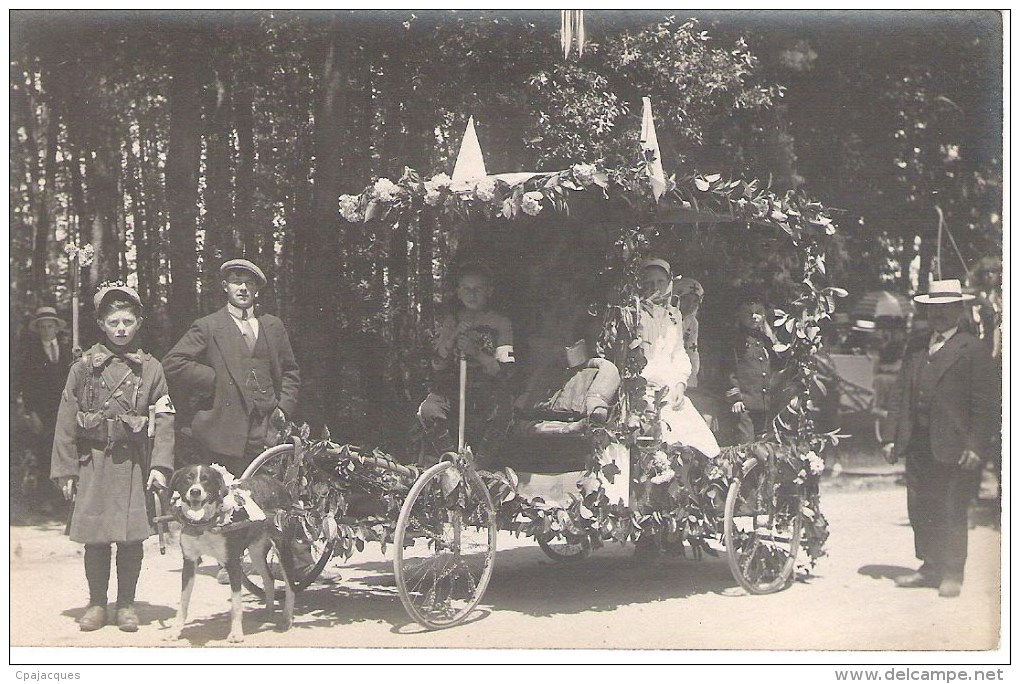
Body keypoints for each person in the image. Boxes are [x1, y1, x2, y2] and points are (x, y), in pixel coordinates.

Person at [50, 284, 175, 632]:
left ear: (139, 323)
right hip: (93, 462)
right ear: (101, 324)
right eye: (113, 321)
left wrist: (160, 467)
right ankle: (95, 604)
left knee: (131, 537)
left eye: (128, 321)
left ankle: (126, 605)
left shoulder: (152, 369)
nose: (121, 328)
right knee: (97, 536)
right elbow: (64, 422)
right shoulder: (83, 368)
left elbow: (164, 420)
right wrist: (66, 470)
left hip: (134, 462)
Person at [882, 279, 995, 598]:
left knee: (952, 507)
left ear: (958, 310)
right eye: (933, 309)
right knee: (920, 506)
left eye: (946, 309)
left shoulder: (972, 348)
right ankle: (930, 566)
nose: (939, 315)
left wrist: (976, 445)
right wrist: (891, 436)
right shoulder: (917, 346)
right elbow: (900, 392)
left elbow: (984, 404)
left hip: (955, 446)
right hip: (918, 443)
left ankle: (952, 572)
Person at [163, 259, 300, 477]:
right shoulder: (209, 325)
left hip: (267, 427)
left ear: (256, 290)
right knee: (227, 497)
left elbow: (290, 371)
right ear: (225, 286)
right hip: (223, 430)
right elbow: (173, 362)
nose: (243, 288)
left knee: (265, 494)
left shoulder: (273, 326)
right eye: (236, 282)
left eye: (249, 283)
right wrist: (212, 379)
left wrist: (283, 407)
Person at [417, 262, 515, 464]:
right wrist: (453, 337)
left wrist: (475, 352)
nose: (472, 294)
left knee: (504, 410)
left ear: (489, 291)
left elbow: (505, 371)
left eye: (478, 289)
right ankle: (451, 462)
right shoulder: (452, 321)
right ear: (458, 293)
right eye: (466, 289)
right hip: (453, 390)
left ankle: (478, 467)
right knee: (428, 410)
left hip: (485, 390)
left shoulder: (501, 323)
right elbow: (437, 364)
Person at [634, 259, 719, 458]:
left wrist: (680, 384)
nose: (655, 287)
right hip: (643, 393)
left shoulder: (673, 315)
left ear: (669, 283)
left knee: (700, 446)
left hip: (671, 393)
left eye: (660, 282)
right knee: (657, 451)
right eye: (649, 282)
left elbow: (679, 353)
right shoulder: (634, 313)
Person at [16, 306, 72, 508]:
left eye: (50, 326)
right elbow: (26, 386)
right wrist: (32, 413)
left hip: (66, 412)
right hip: (43, 414)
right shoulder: (30, 355)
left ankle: (66, 501)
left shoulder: (68, 351)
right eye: (43, 327)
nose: (47, 330)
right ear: (38, 329)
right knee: (45, 454)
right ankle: (46, 500)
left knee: (67, 452)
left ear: (57, 328)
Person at [724, 296, 778, 443]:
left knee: (763, 443)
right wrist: (736, 398)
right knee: (746, 443)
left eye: (758, 312)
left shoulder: (766, 340)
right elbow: (729, 369)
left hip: (763, 403)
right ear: (739, 315)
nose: (754, 316)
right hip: (744, 404)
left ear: (764, 315)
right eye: (748, 313)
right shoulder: (736, 340)